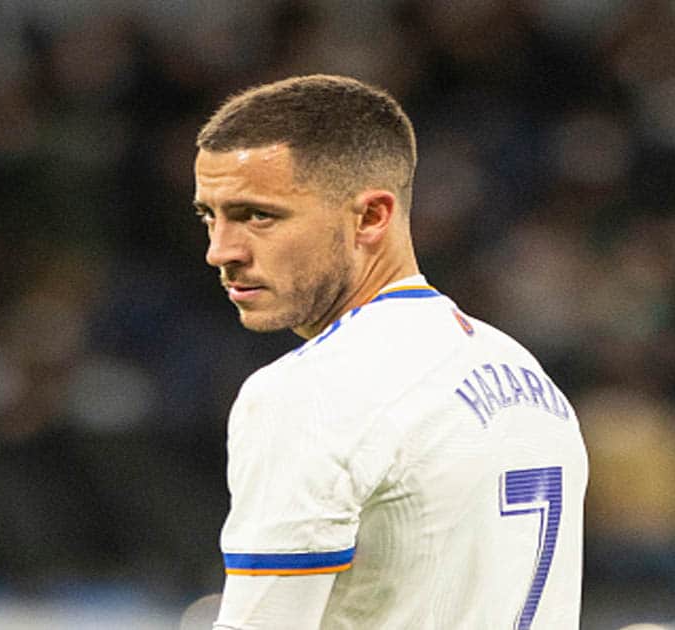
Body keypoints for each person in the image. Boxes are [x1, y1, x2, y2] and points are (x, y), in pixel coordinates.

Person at [193, 74, 588, 629]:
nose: (220, 251)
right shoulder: (522, 371)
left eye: (259, 215)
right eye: (210, 216)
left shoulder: (308, 392)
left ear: (372, 216)